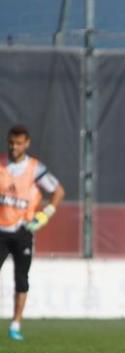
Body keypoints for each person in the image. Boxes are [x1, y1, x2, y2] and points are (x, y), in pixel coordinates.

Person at [1, 124, 65, 341]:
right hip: (0, 230)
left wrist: (45, 214)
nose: (14, 147)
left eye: (18, 143)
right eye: (11, 142)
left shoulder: (35, 169)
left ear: (26, 144)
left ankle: (15, 325)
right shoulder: (1, 165)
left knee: (21, 278)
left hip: (23, 231)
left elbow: (58, 191)